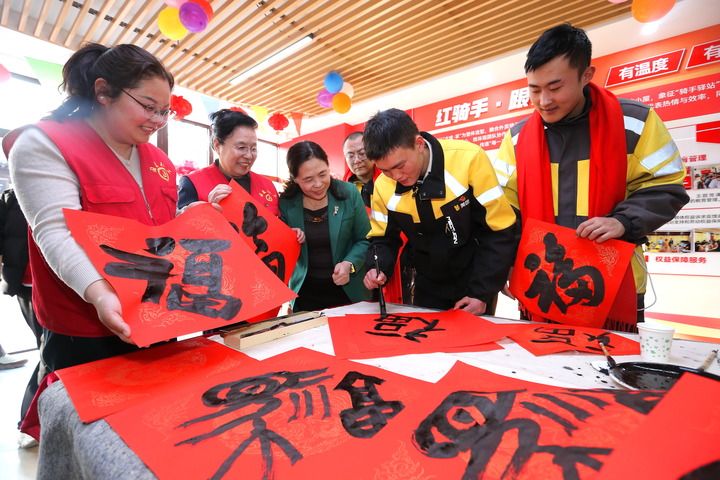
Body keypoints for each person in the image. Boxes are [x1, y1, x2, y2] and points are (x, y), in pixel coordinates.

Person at [3, 43, 176, 422]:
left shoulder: (159, 160)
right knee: (95, 428)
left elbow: (162, 229)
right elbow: (56, 233)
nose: (158, 120)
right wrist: (99, 293)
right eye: (149, 107)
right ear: (103, 92)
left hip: (157, 316)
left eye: (165, 111)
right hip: (85, 325)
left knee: (156, 419)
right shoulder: (45, 143)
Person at [494, 24, 689, 329]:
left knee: (611, 357)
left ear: (586, 75)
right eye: (534, 89)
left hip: (612, 280)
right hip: (543, 283)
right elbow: (505, 210)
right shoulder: (517, 139)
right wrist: (505, 263)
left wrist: (623, 221)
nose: (544, 100)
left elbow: (666, 186)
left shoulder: (634, 123)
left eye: (555, 87)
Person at [362, 108, 519, 315]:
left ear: (419, 144)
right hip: (427, 284)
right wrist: (378, 266)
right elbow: (383, 238)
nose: (396, 176)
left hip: (474, 279)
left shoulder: (469, 160)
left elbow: (499, 230)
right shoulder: (383, 186)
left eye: (400, 166)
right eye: (385, 170)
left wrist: (481, 293)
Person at [279, 141, 371, 311]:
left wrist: (349, 264)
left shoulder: (349, 193)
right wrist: (288, 236)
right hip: (305, 294)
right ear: (295, 178)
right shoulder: (286, 203)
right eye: (308, 179)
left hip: (348, 291)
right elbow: (278, 248)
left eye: (323, 174)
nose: (318, 184)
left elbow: (365, 239)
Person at [177, 109, 279, 215]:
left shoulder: (268, 186)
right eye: (241, 147)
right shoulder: (194, 183)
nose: (249, 155)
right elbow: (181, 223)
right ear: (217, 145)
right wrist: (207, 210)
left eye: (253, 149)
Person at [0, 187, 42, 423]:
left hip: (63, 283)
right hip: (27, 284)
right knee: (44, 345)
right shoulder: (11, 197)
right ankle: (31, 418)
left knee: (49, 349)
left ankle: (31, 417)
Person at [343, 131, 379, 208]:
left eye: (362, 153)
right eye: (351, 156)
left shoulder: (389, 179)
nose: (357, 160)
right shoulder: (342, 189)